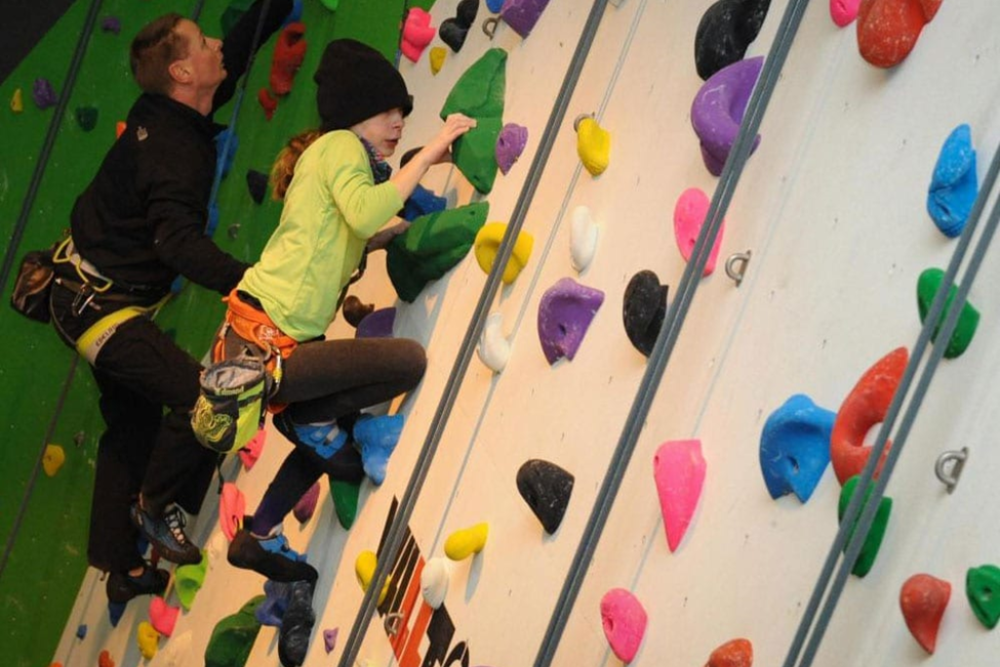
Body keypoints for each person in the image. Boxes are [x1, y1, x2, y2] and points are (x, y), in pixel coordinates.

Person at [211, 39, 475, 665]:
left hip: (277, 341)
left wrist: (410, 229)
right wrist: (433, 150)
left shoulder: (337, 158)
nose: (398, 124)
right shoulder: (337, 149)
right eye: (390, 112)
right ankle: (314, 426)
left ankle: (262, 531)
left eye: (404, 117)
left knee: (329, 431)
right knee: (404, 363)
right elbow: (367, 209)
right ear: (358, 112)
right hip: (266, 346)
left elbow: (360, 226)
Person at [46, 0, 292, 605]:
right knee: (207, 399)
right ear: (182, 72)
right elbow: (177, 243)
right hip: (97, 307)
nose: (215, 45)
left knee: (131, 431)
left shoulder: (176, 106)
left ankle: (119, 565)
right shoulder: (171, 151)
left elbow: (236, 47)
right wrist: (253, 283)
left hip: (92, 293)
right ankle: (156, 508)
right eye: (200, 42)